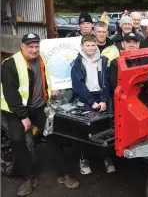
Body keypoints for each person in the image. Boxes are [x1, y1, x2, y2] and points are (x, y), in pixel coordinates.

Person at [1, 33, 79, 196]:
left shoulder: (41, 59)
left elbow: (44, 81)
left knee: (53, 133)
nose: (34, 50)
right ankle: (29, 177)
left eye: (36, 46)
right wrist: (23, 117)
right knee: (17, 138)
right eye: (30, 46)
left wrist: (51, 92)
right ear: (22, 47)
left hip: (38, 106)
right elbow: (11, 94)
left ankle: (63, 174)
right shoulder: (10, 64)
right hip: (15, 108)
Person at [71, 35, 114, 174]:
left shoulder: (103, 60)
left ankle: (107, 157)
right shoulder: (77, 63)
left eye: (93, 45)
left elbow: (107, 83)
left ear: (96, 45)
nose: (90, 48)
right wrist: (92, 102)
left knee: (105, 129)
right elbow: (79, 85)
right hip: (85, 98)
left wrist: (103, 100)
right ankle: (84, 159)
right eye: (87, 45)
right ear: (82, 46)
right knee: (86, 131)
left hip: (100, 97)